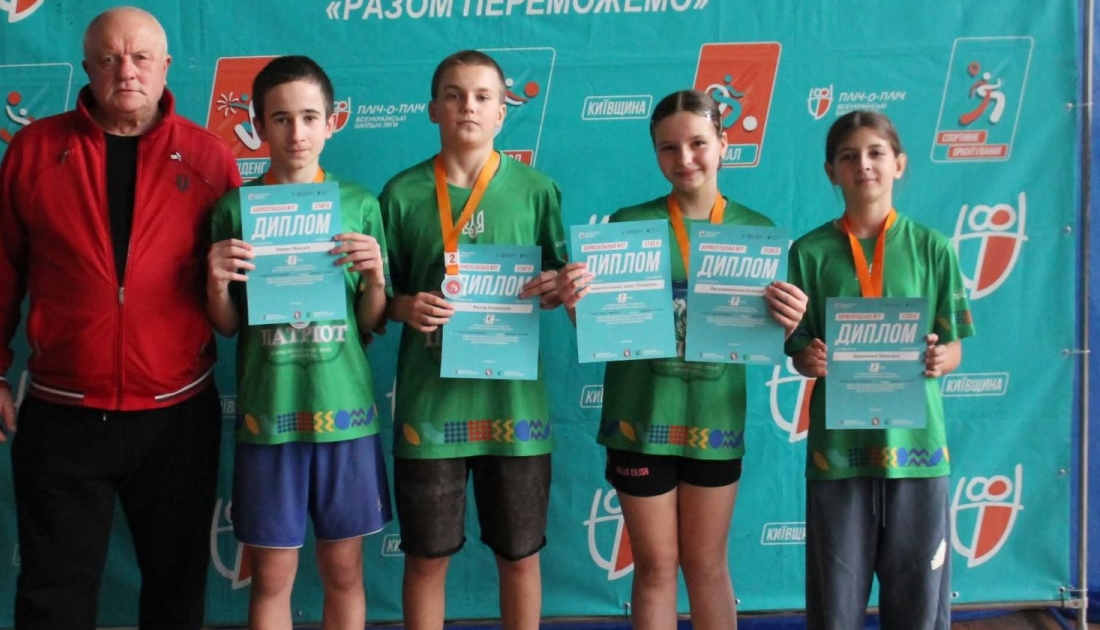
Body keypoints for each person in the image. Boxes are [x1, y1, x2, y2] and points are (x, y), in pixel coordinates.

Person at [0, 7, 239, 629]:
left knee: (176, 591)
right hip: (64, 413)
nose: (126, 71)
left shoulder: (209, 156)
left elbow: (240, 284)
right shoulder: (35, 150)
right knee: (52, 595)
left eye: (141, 58)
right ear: (87, 67)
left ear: (166, 67)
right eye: (110, 58)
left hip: (176, 416)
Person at [556, 89, 808, 630]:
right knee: (654, 567)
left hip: (714, 420)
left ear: (724, 143)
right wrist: (578, 306)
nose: (685, 158)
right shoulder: (627, 226)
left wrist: (789, 321)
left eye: (698, 143)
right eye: (669, 148)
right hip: (640, 419)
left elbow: (776, 339)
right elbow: (601, 330)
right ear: (655, 153)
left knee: (708, 565)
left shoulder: (756, 232)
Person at [379, 49, 565, 630]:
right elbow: (377, 298)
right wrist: (405, 306)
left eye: (483, 96)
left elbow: (560, 283)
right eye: (454, 95)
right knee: (426, 558)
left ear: (503, 112)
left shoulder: (537, 190)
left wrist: (557, 287)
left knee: (521, 556)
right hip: (430, 408)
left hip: (515, 407)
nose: (468, 106)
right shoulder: (401, 193)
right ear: (433, 108)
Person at [206, 55, 392, 630]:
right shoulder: (234, 209)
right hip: (271, 414)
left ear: (332, 122)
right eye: (281, 119)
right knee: (271, 578)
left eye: (310, 117)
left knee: (344, 573)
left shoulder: (359, 204)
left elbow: (370, 321)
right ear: (258, 125)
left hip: (345, 414)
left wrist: (377, 277)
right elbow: (227, 325)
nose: (297, 133)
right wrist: (215, 282)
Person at [786, 110, 975, 629]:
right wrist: (808, 359)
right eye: (849, 156)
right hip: (839, 454)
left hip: (917, 453)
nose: (863, 165)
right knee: (835, 604)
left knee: (920, 604)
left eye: (875, 153)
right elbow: (799, 350)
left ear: (899, 164)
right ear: (831, 171)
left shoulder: (933, 248)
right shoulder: (809, 252)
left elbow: (954, 349)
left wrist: (940, 358)